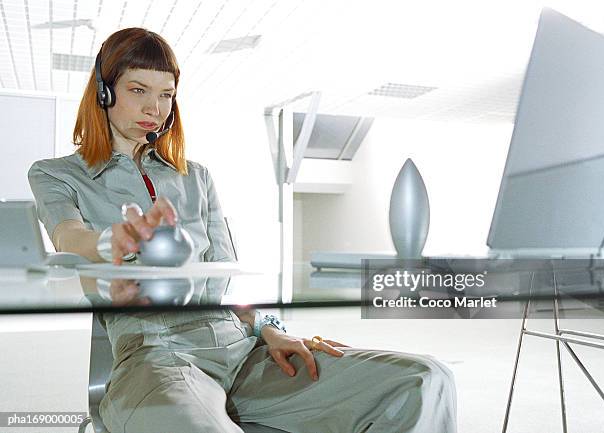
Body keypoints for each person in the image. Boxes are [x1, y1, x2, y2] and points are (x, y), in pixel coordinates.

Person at [28, 28, 456, 433]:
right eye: (138, 90)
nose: (153, 109)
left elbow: (226, 280)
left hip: (242, 349)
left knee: (424, 379)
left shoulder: (196, 177)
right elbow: (68, 236)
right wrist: (110, 241)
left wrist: (271, 326)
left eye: (166, 95)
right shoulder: (57, 174)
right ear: (104, 93)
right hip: (157, 357)